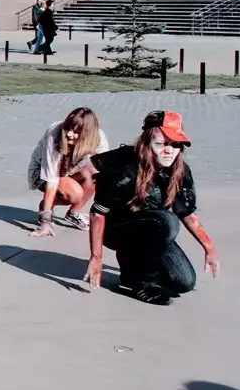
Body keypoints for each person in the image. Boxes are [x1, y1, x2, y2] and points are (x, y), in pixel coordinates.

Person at [86, 110, 219, 305]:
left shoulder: (180, 171)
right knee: (167, 221)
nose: (169, 150)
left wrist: (209, 247)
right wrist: (96, 257)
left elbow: (187, 213)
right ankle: (137, 280)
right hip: (117, 229)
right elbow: (97, 213)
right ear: (146, 143)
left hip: (152, 230)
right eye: (161, 144)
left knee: (184, 282)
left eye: (175, 145)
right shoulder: (124, 169)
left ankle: (142, 267)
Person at [26, 107, 109, 237]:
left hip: (70, 170)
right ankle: (45, 207)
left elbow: (105, 174)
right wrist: (45, 221)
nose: (69, 134)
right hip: (42, 174)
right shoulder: (55, 133)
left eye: (76, 132)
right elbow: (51, 179)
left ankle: (73, 214)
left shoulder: (99, 139)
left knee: (95, 174)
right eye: (68, 128)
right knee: (75, 194)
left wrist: (104, 212)